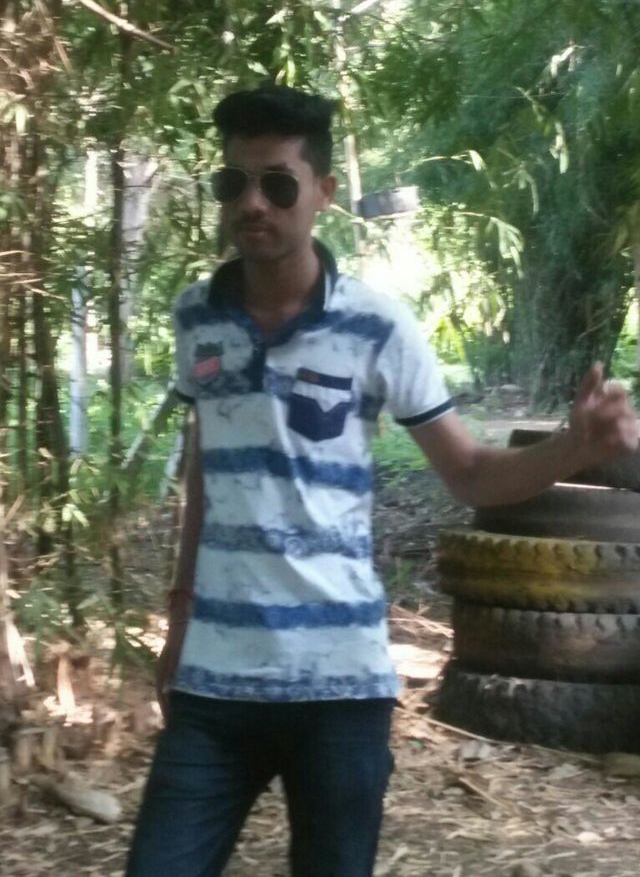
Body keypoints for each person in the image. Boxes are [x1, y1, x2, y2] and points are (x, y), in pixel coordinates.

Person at [126, 85, 638, 877]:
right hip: (214, 687)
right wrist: (180, 611)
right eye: (234, 183)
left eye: (278, 183)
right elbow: (208, 464)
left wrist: (575, 446)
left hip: (339, 688)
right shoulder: (197, 315)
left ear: (323, 193)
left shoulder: (377, 325)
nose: (252, 203)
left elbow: (471, 472)